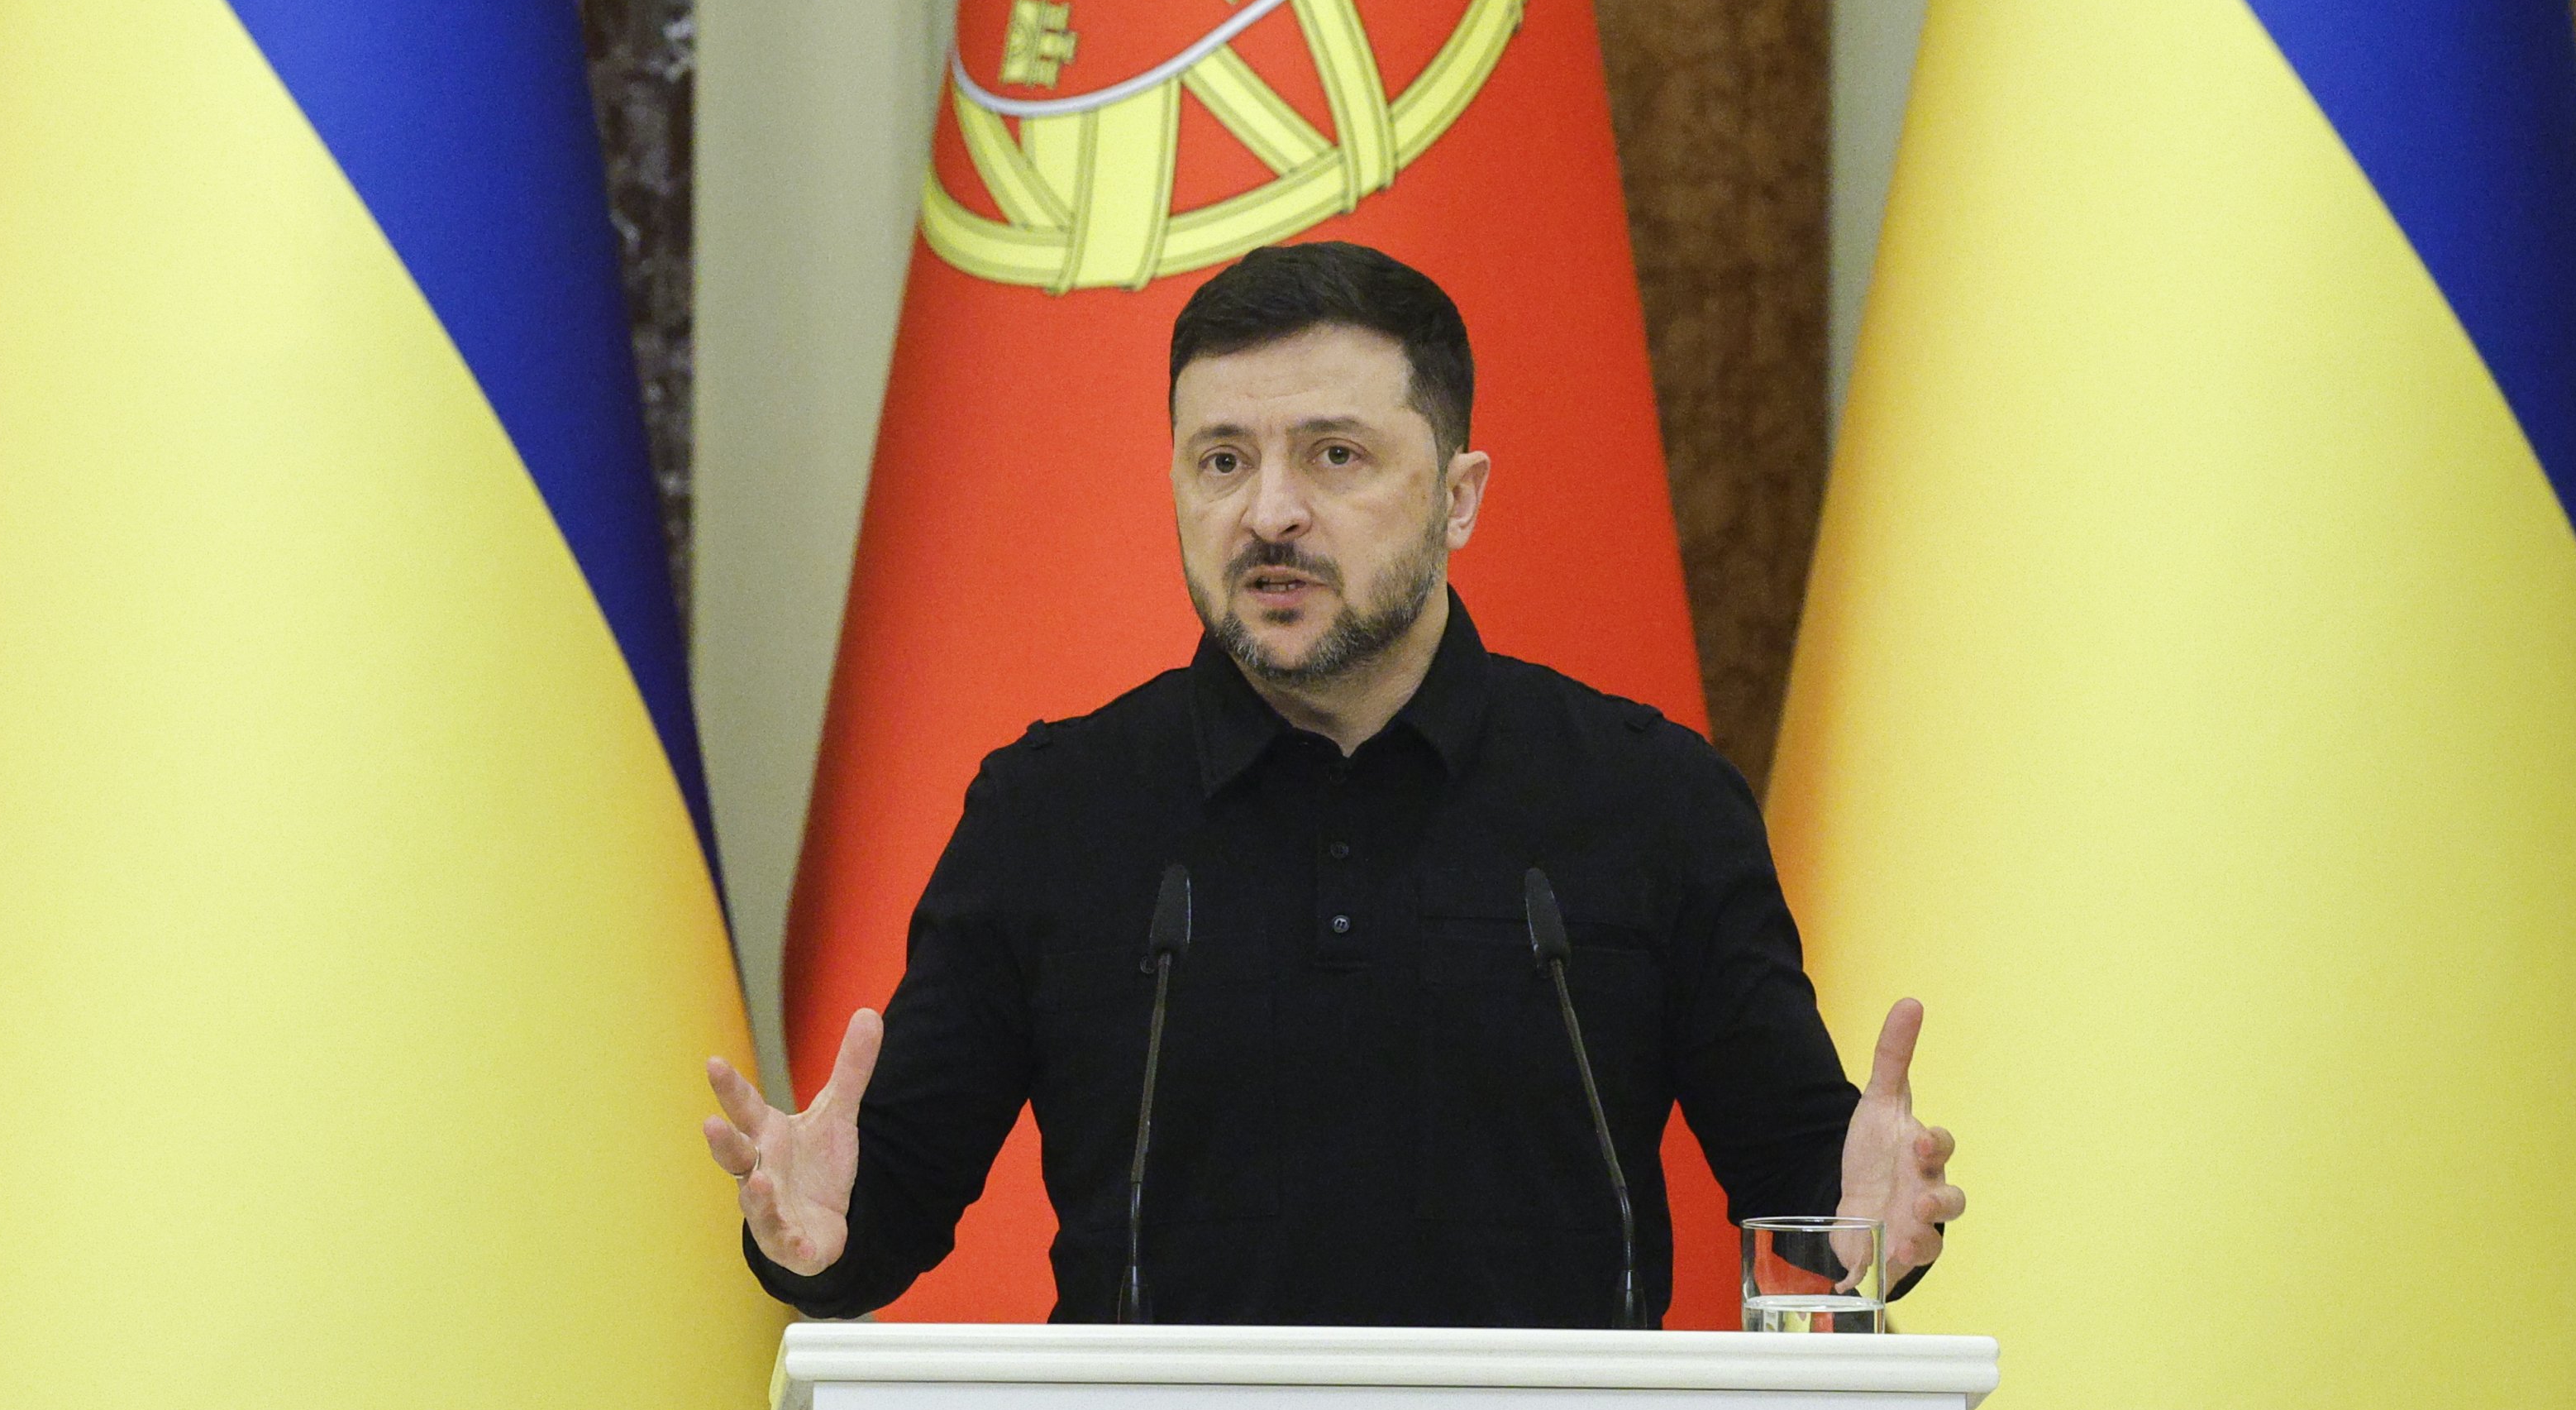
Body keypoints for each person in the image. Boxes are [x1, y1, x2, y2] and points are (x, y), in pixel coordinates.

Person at [704, 241, 1962, 1326]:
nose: (1270, 515)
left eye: (1336, 456)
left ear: (1460, 498)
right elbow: (885, 1214)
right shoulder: (1054, 810)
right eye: (1222, 461)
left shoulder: (1651, 803)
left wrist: (1861, 1228)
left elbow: (1808, 1202)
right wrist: (807, 1235)